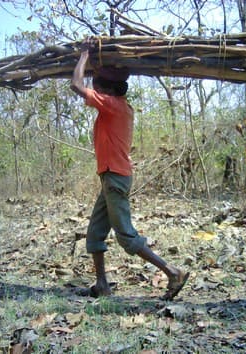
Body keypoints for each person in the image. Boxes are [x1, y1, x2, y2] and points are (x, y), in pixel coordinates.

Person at [70, 39, 189, 300]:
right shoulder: (118, 106)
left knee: (125, 235)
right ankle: (102, 285)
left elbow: (76, 85)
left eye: (99, 85)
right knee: (95, 233)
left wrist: (83, 56)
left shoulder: (112, 106)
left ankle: (172, 272)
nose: (95, 88)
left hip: (115, 177)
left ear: (109, 91)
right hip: (111, 176)